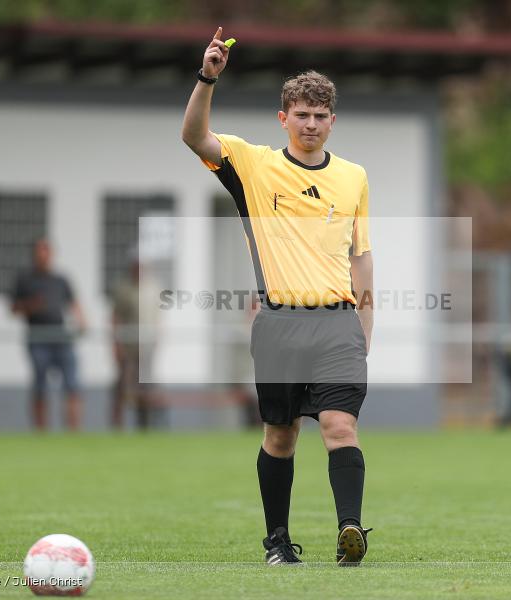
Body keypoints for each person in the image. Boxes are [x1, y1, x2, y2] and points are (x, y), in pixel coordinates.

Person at [182, 28, 374, 566]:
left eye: (320, 115)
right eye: (301, 114)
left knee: (340, 426)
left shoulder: (354, 177)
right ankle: (277, 541)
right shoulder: (253, 163)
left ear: (332, 121)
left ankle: (351, 530)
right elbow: (195, 136)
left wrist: (367, 322)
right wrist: (207, 77)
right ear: (283, 118)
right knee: (281, 435)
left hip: (337, 323)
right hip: (278, 323)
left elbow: (362, 255)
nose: (310, 124)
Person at [11, 239, 87, 431]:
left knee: (72, 385)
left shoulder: (60, 280)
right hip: (37, 337)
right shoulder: (25, 280)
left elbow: (73, 303)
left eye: (47, 252)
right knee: (40, 386)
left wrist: (81, 320)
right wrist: (31, 305)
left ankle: (73, 431)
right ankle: (41, 431)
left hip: (60, 336)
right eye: (40, 252)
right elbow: (14, 308)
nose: (43, 256)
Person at [110, 250, 160, 430]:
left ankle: (144, 426)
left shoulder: (153, 288)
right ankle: (117, 426)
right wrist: (116, 345)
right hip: (127, 347)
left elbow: (157, 318)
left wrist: (157, 340)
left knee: (145, 389)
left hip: (145, 348)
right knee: (122, 387)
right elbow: (116, 318)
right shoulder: (123, 289)